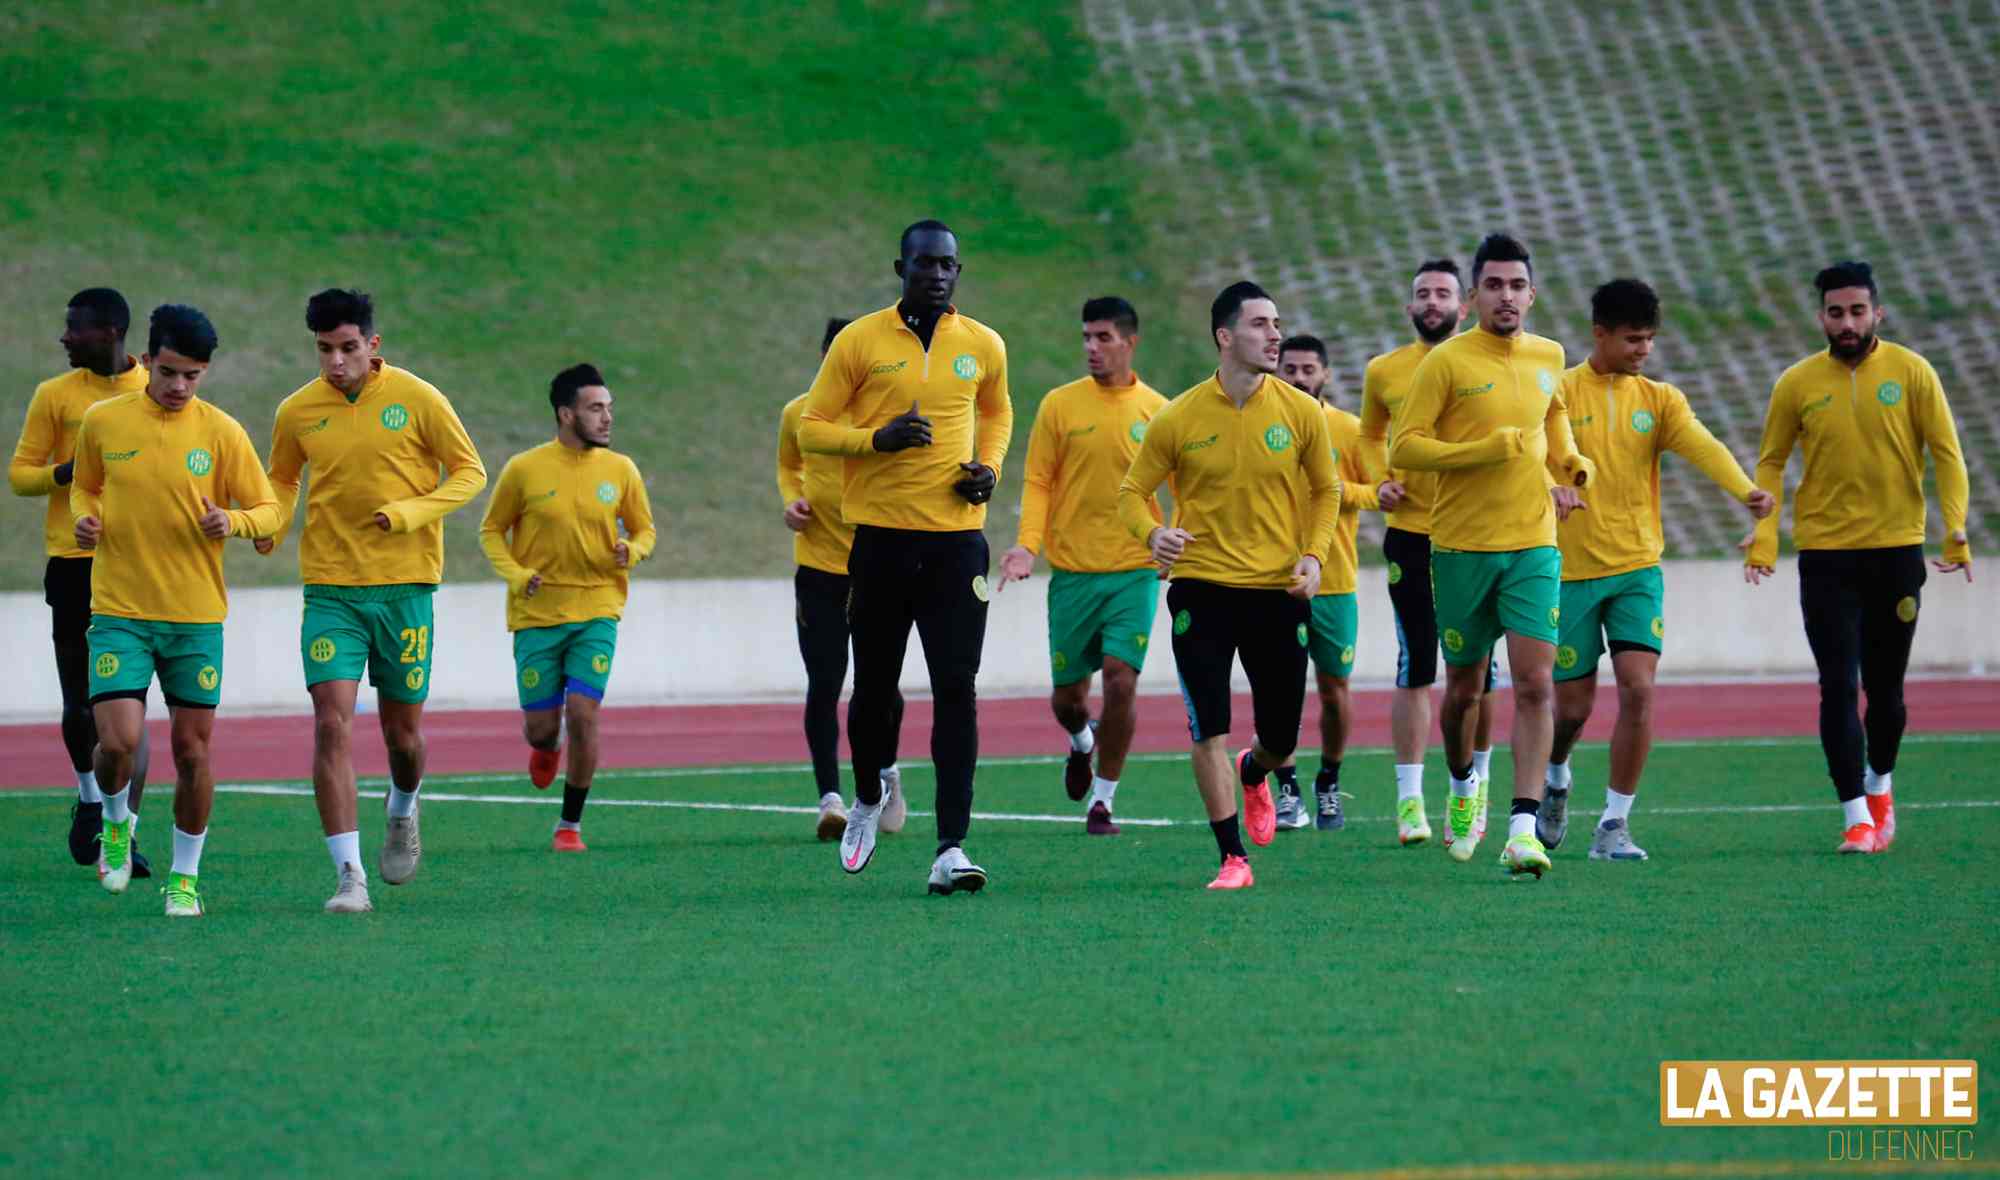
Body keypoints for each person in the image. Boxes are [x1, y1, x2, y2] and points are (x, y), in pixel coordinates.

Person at [798, 220, 1012, 894]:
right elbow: (811, 427)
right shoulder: (860, 341)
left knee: (957, 689)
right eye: (925, 264)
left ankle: (951, 847)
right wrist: (875, 441)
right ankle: (867, 796)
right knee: (874, 688)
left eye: (948, 265)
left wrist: (990, 468)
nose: (938, 275)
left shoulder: (983, 343)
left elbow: (998, 412)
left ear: (958, 271)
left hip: (957, 543)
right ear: (902, 268)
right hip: (882, 542)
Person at [260, 289, 487, 913]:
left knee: (403, 738)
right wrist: (269, 524)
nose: (336, 362)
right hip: (331, 590)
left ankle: (403, 806)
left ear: (373, 344)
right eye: (324, 350)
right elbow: (282, 479)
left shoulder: (418, 398)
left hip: (405, 588)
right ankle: (349, 877)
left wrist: (411, 512)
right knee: (331, 723)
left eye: (348, 348)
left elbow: (470, 472)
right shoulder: (297, 410)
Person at [1117, 281, 1341, 890]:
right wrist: (1152, 534)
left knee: (1281, 738)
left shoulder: (1301, 412)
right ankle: (1232, 857)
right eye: (1260, 324)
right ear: (1224, 336)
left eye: (1277, 323)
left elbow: (1327, 490)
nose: (1275, 335)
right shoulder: (1178, 416)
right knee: (1207, 727)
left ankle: (1255, 770)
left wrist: (1314, 557)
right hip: (1202, 591)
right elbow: (1132, 493)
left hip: (1277, 593)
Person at [1742, 260, 1971, 854]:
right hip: (1826, 556)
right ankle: (1855, 818)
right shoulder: (1796, 383)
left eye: (1858, 311)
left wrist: (1956, 527)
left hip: (1896, 552)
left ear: (1877, 313)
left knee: (1886, 693)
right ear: (1821, 317)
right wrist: (1765, 537)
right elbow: (1771, 461)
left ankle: (1879, 784)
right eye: (1836, 313)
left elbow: (1946, 453)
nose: (1847, 323)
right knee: (1838, 685)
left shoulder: (1912, 371)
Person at [1540, 279, 1773, 861]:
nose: (1643, 349)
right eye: (1632, 339)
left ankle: (1613, 825)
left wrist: (1745, 491)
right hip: (1568, 573)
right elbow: (1531, 458)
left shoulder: (1661, 400)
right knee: (1572, 710)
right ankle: (1556, 774)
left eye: (1649, 338)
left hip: (1637, 568)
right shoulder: (1557, 392)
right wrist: (1550, 489)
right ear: (1600, 334)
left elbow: (1702, 445)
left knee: (1639, 690)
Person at [1390, 233, 1595, 878]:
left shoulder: (1549, 354)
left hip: (1533, 542)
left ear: (1533, 295)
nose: (1507, 296)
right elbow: (1405, 447)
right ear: (1474, 296)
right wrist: (1481, 451)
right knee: (1463, 691)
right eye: (1495, 285)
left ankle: (1523, 831)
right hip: (1461, 548)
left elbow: (1552, 416)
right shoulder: (1446, 362)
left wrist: (1570, 461)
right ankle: (1461, 785)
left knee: (1535, 684)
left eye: (1517, 286)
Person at [70, 304, 280, 916]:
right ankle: (116, 821)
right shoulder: (104, 421)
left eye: (193, 375)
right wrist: (87, 518)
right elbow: (84, 486)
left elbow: (269, 510)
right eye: (168, 372)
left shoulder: (222, 432)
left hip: (195, 619)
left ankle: (184, 879)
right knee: (118, 743)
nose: (180, 386)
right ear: (147, 360)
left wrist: (233, 521)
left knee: (193, 753)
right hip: (121, 611)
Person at [996, 296, 1169, 836]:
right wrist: (1027, 546)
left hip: (1135, 570)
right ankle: (1080, 740)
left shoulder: (1159, 411)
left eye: (1103, 337)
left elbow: (1189, 483)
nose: (1092, 347)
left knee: (1120, 679)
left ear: (1130, 342)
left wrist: (1178, 542)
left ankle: (1104, 802)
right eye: (1086, 337)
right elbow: (1038, 481)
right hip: (1073, 574)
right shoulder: (1059, 405)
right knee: (1069, 700)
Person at [479, 364, 656, 852]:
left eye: (609, 408)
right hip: (537, 614)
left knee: (583, 711)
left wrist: (632, 550)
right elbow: (491, 531)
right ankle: (546, 746)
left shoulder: (621, 470)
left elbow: (645, 529)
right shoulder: (524, 469)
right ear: (566, 414)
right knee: (541, 729)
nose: (607, 418)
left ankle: (569, 825)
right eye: (595, 409)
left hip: (598, 607)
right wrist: (517, 575)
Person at [11, 288, 154, 875]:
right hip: (73, 561)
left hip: (137, 564)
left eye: (76, 328)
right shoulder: (56, 395)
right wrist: (71, 471)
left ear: (111, 331)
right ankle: (91, 799)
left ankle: (126, 835)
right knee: (79, 704)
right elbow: (20, 476)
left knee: (130, 709)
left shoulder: (153, 390)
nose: (65, 337)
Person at [1356, 260, 1499, 848]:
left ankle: (1476, 786)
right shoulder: (1384, 370)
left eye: (1443, 293)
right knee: (1415, 662)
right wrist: (1379, 479)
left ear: (1463, 305)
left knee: (1482, 671)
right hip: (1412, 534)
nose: (1432, 301)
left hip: (1477, 533)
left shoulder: (1486, 363)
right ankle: (1409, 799)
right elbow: (1369, 435)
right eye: (1423, 293)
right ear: (1409, 306)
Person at [777, 317, 906, 842]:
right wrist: (792, 501)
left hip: (878, 567)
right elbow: (788, 467)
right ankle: (830, 799)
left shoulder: (886, 416)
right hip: (819, 569)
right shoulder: (799, 414)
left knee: (882, 687)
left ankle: (887, 773)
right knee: (825, 683)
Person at [1271, 334, 1378, 832]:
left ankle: (1329, 780)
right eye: (1289, 369)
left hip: (1334, 582)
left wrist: (1335, 488)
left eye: (1307, 369)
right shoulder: (1263, 426)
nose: (1298, 378)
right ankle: (1287, 789)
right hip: (1274, 581)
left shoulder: (1347, 429)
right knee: (1281, 690)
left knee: (1334, 690)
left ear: (1325, 374)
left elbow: (1377, 491)